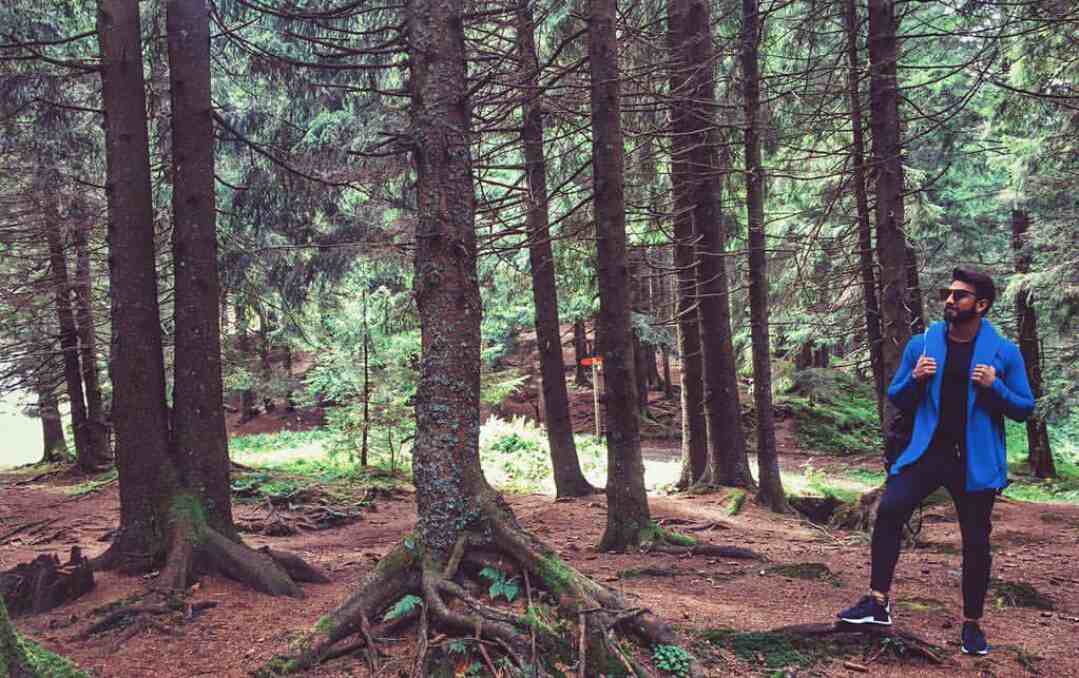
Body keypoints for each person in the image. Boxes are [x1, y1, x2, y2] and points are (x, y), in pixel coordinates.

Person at [837, 267, 1035, 655]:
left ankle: (972, 625)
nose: (950, 299)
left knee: (976, 542)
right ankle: (877, 602)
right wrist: (915, 378)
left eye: (959, 295)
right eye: (948, 292)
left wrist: (994, 386)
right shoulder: (923, 344)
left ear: (981, 305)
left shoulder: (1004, 352)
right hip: (927, 453)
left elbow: (1024, 409)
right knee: (890, 510)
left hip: (973, 461)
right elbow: (897, 396)